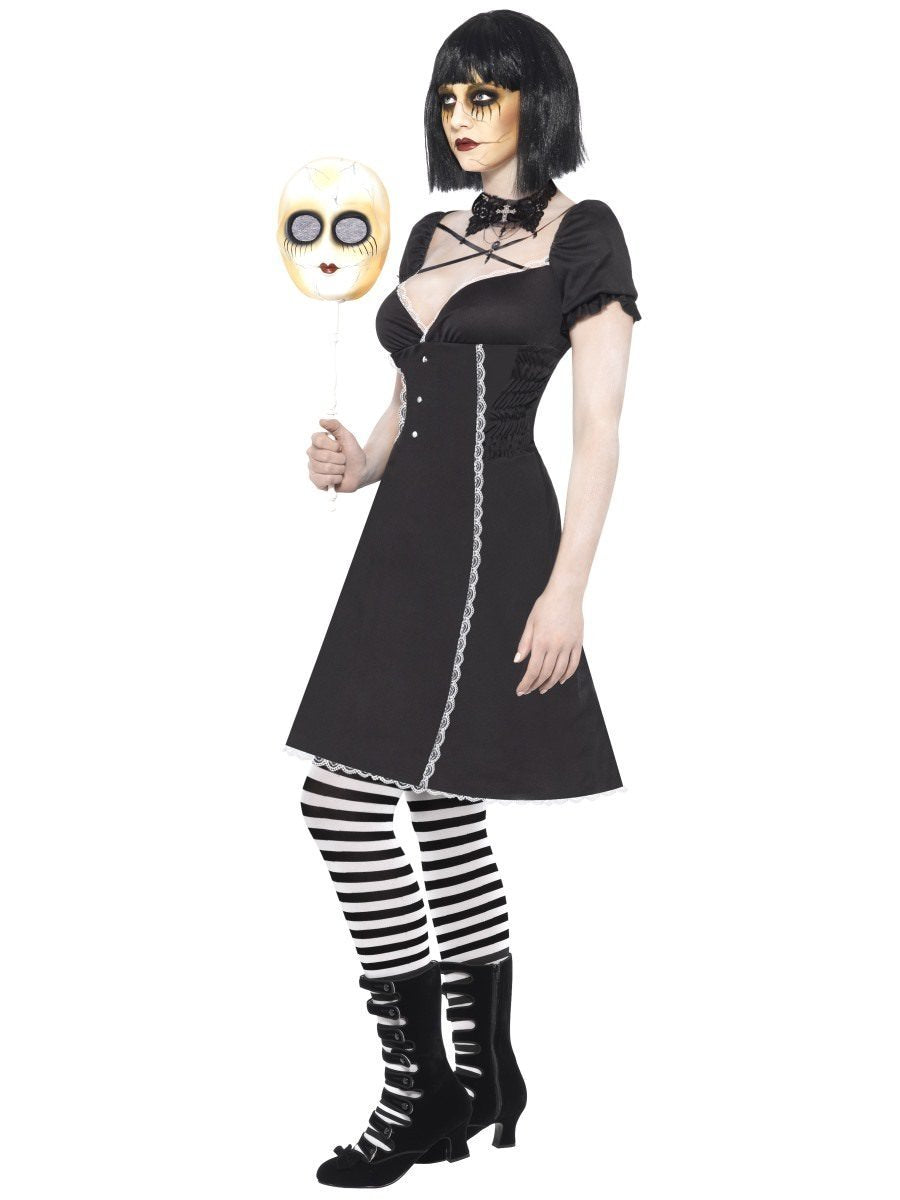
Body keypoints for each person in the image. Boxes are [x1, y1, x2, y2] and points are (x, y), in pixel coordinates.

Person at [283, 9, 640, 1188]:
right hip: (403, 538)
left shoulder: (584, 233)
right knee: (435, 807)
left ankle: (420, 1088)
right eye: (450, 96)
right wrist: (358, 463)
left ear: (539, 101)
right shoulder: (433, 233)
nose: (463, 116)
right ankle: (485, 1072)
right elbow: (409, 402)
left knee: (340, 801)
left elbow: (598, 430)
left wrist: (568, 590)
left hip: (496, 539)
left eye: (486, 93)